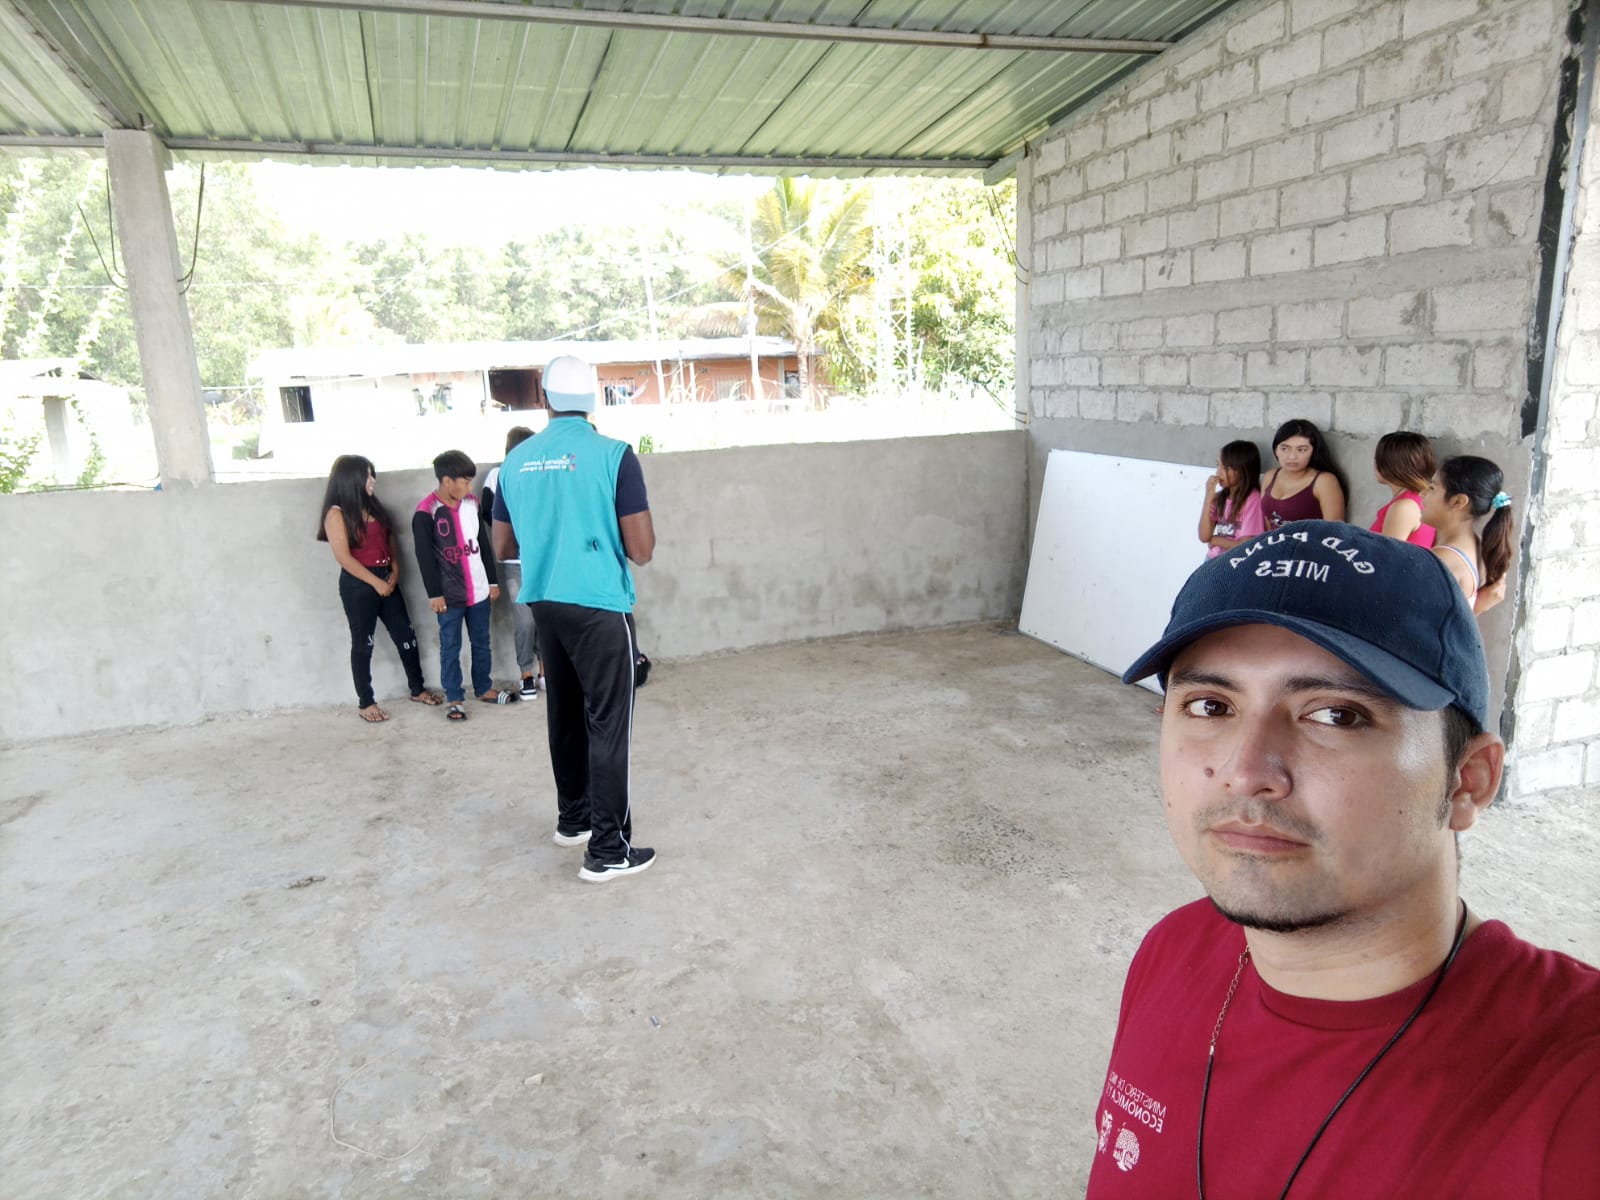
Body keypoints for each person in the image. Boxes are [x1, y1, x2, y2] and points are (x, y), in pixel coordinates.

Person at [1091, 522, 1599, 1198]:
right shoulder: (1172, 952)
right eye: (1211, 705)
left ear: (1467, 781)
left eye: (1336, 715)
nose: (1247, 772)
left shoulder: (1571, 1098)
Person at [492, 354, 657, 882]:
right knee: (608, 723)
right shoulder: (614, 455)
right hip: (599, 605)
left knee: (563, 712)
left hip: (545, 602)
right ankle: (608, 851)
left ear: (544, 399)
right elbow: (642, 549)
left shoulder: (515, 462)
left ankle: (574, 819)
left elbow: (502, 545)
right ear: (593, 400)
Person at [315, 454, 440, 722]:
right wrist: (376, 583)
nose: (372, 480)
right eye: (367, 476)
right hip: (359, 584)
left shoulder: (373, 506)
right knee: (363, 644)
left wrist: (394, 570)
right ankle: (366, 702)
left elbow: (389, 537)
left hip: (387, 578)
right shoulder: (336, 514)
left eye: (372, 475)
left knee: (406, 635)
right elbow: (344, 558)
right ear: (351, 479)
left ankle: (417, 689)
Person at [413, 449, 509, 722]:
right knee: (450, 646)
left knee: (481, 641)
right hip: (448, 596)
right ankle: (454, 698)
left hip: (478, 590)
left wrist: (492, 581)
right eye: (465, 482)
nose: (469, 487)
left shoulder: (472, 504)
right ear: (447, 481)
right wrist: (435, 594)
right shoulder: (426, 511)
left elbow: (482, 545)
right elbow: (424, 557)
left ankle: (484, 688)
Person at [482, 426, 544, 700]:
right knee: (525, 620)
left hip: (542, 559)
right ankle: (525, 673)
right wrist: (509, 535)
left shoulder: (539, 471)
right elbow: (487, 511)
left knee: (545, 616)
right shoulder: (498, 474)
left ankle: (545, 671)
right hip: (514, 561)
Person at [1422, 454, 1513, 616]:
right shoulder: (1477, 545)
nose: (1422, 494)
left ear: (1458, 502)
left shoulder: (1443, 560)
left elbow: (1422, 625)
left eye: (1432, 489)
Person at [1260, 419, 1346, 527]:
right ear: (1276, 449)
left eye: (1301, 450)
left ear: (1314, 451)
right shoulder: (1270, 476)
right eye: (1284, 449)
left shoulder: (1324, 482)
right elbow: (1267, 525)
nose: (1292, 457)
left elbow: (1335, 530)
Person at [1197, 440, 1264, 560]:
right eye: (1218, 465)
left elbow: (1246, 545)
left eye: (1225, 468)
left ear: (1242, 470)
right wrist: (1208, 497)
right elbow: (1204, 536)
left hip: (1236, 562)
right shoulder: (1219, 498)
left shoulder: (1253, 499)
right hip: (1213, 558)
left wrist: (1215, 540)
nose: (1218, 472)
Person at [1369, 431, 1437, 547]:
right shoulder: (1417, 499)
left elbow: (1388, 554)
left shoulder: (1405, 506)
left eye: (1377, 460)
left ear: (1389, 465)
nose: (1374, 465)